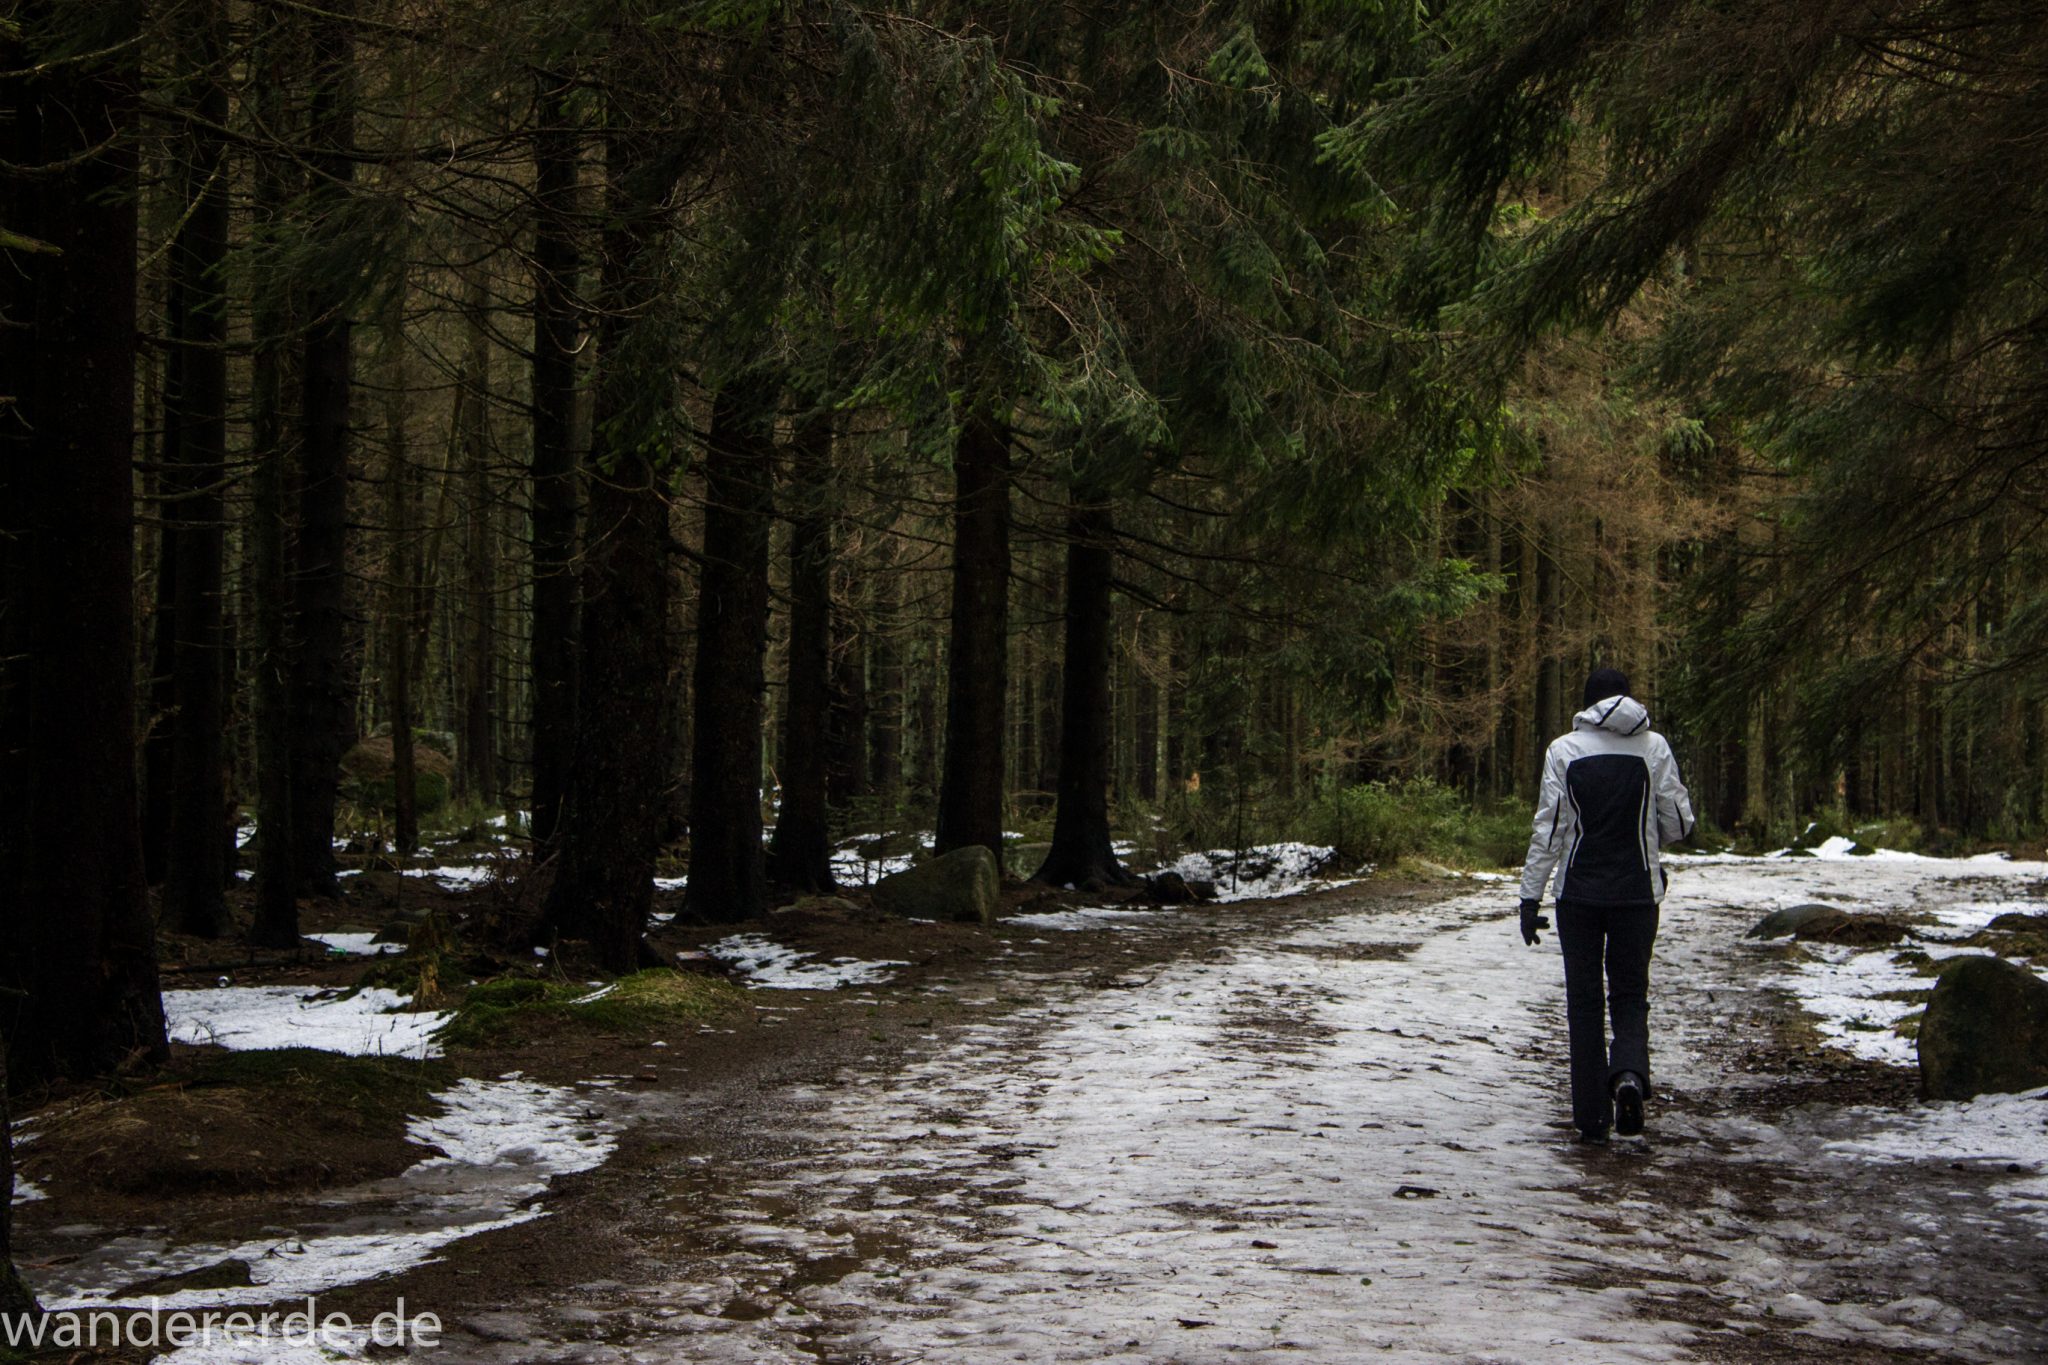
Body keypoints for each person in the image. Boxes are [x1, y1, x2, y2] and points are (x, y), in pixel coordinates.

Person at [1518, 667, 1694, 1144]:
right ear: (1628, 701)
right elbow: (1678, 822)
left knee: (1584, 1001)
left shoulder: (1564, 750)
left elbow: (1549, 831)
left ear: (1587, 704)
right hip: (1638, 893)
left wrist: (1529, 895)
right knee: (1630, 994)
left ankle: (1592, 1118)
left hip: (1578, 896)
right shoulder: (1653, 747)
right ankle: (1630, 1076)